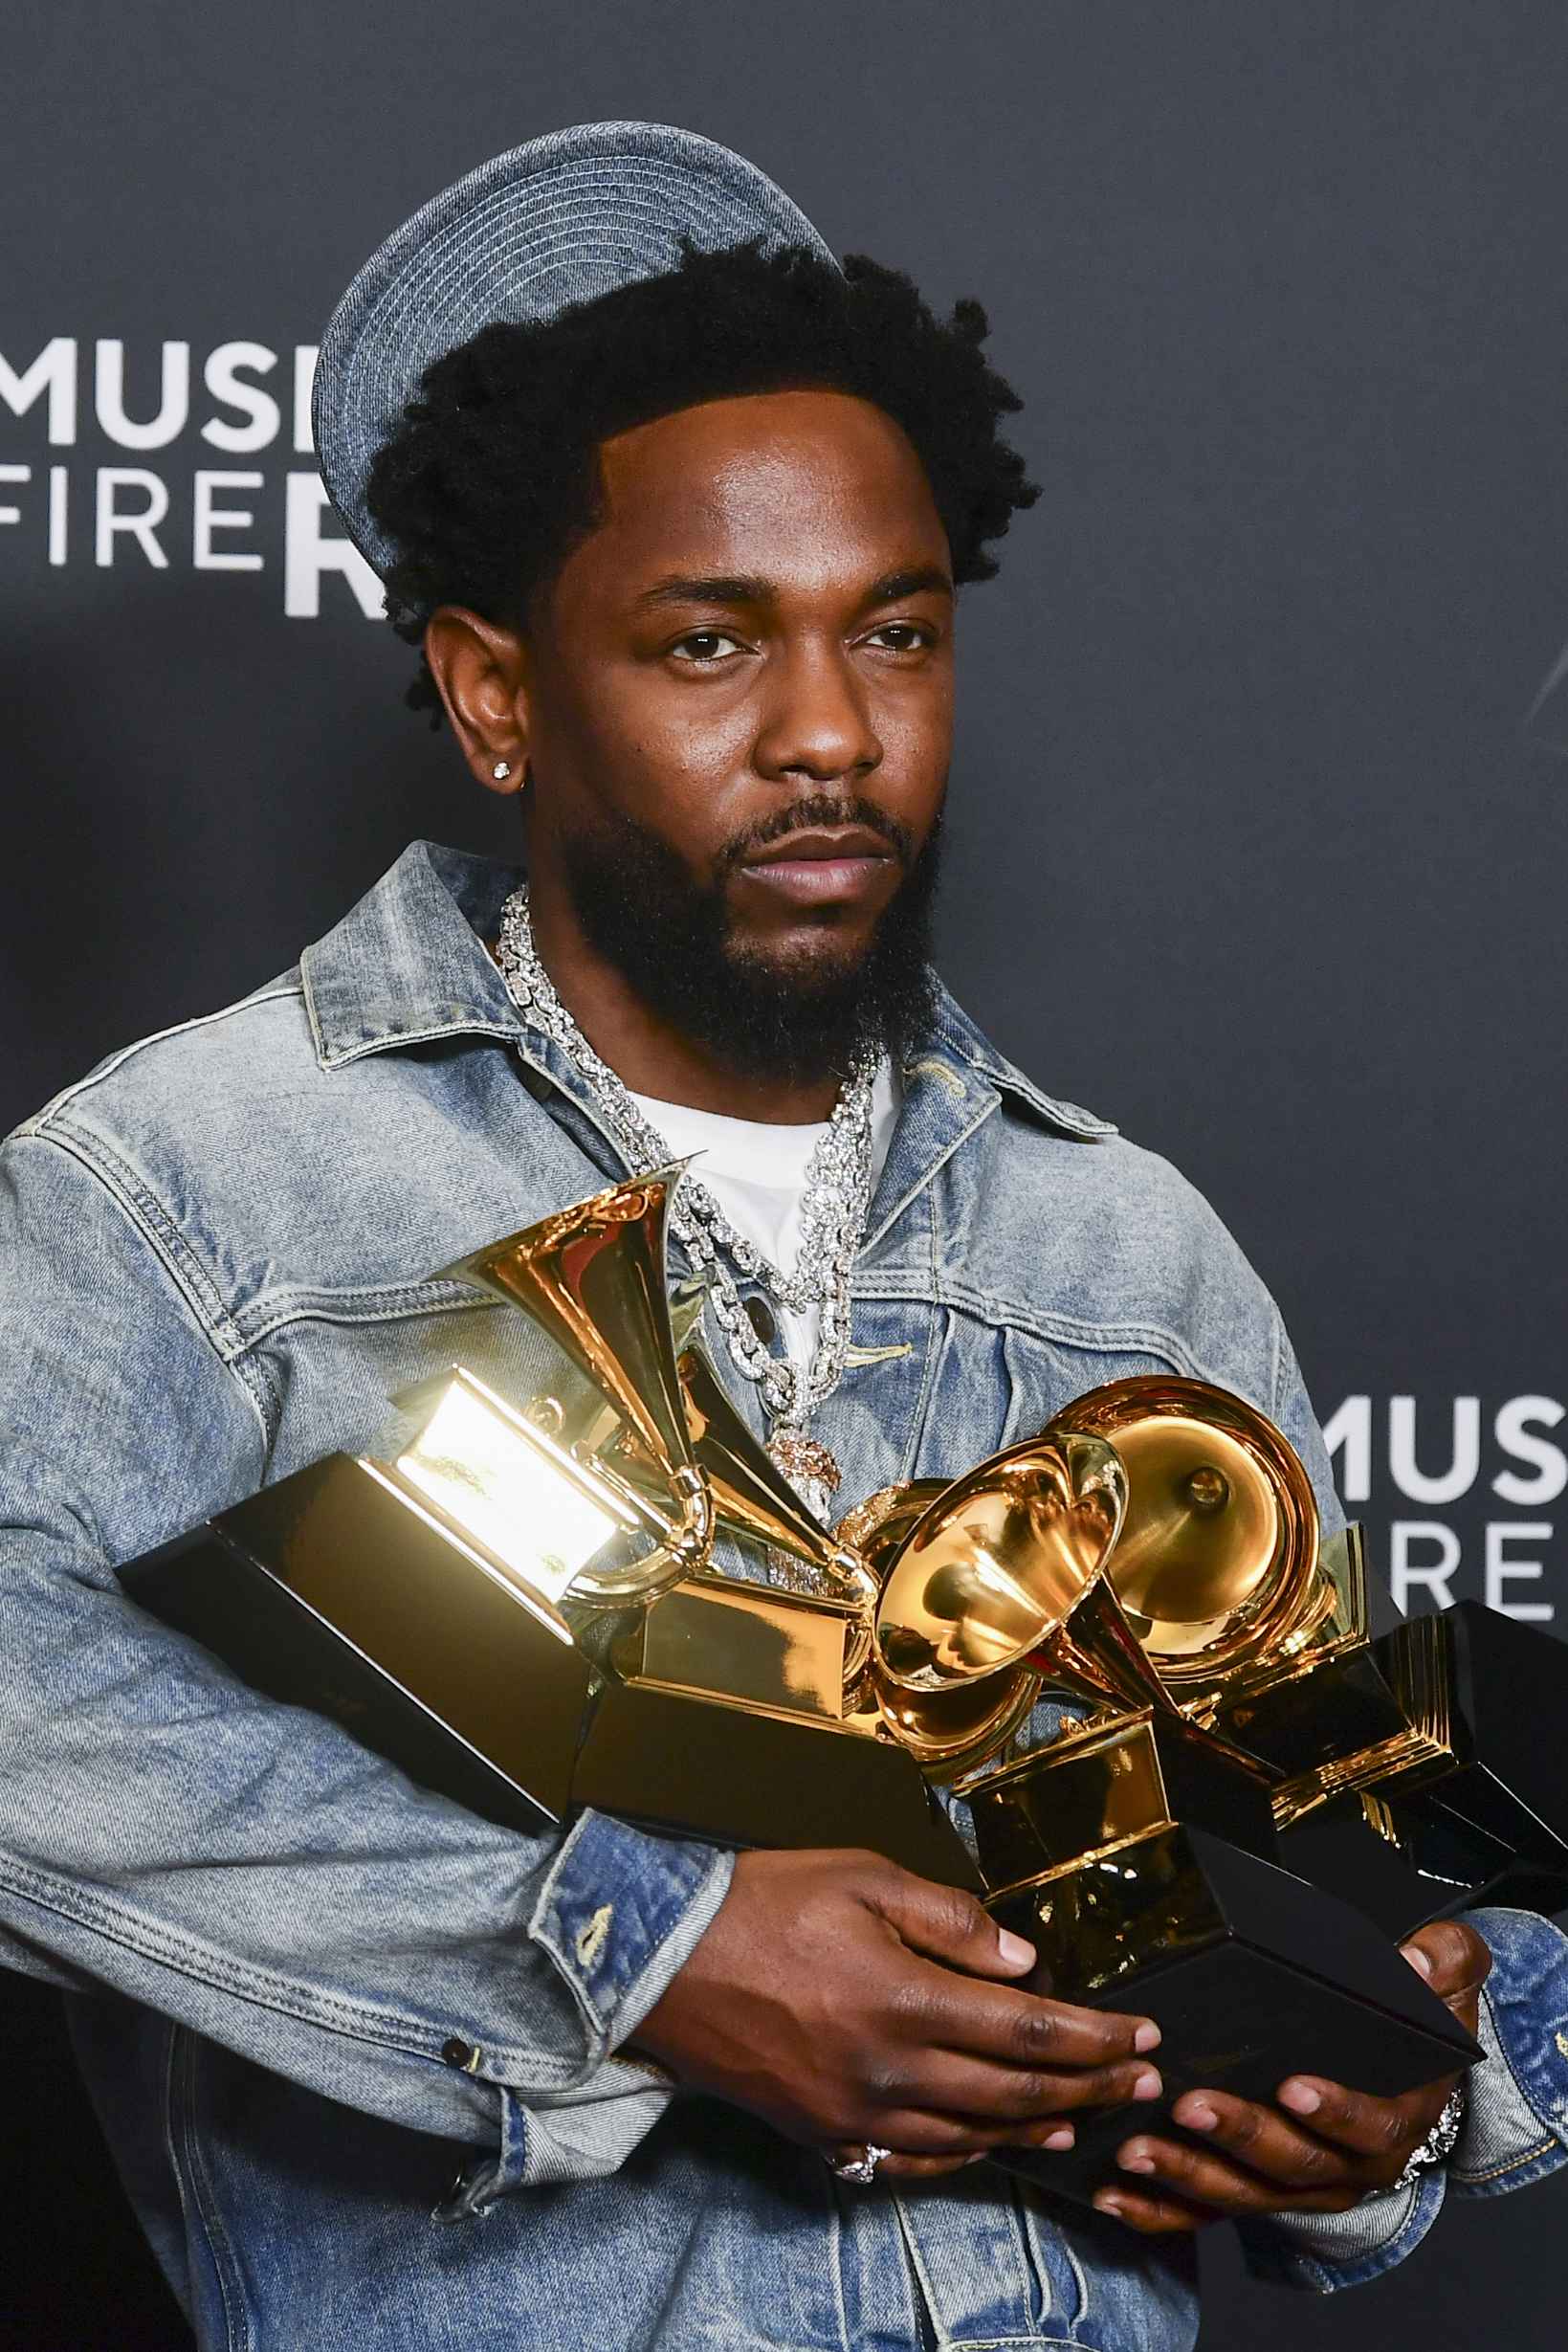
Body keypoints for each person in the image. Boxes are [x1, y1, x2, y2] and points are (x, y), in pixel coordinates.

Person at [0, 122, 1563, 2352]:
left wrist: (1385, 2100)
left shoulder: (1129, 1244)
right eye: (709, 640)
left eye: (894, 632)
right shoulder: (187, 1192)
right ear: (496, 693)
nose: (832, 731)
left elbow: (1375, 1876)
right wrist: (636, 1945)